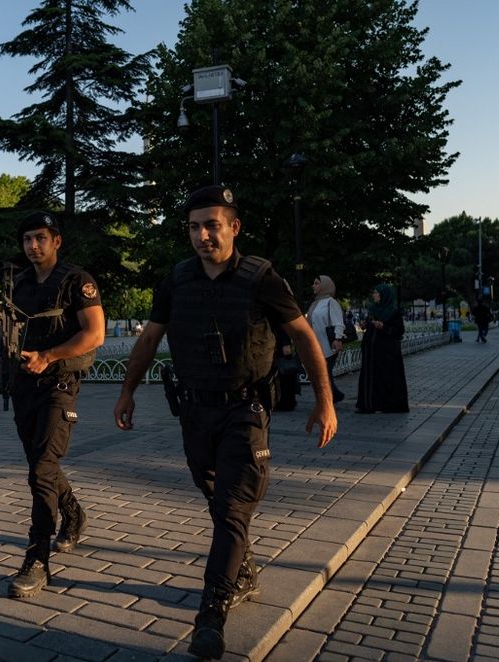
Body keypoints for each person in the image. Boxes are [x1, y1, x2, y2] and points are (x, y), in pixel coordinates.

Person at [111, 186, 336, 659]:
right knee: (215, 497)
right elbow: (150, 338)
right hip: (195, 411)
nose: (202, 235)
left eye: (212, 225)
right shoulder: (176, 280)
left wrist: (325, 401)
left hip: (245, 411)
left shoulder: (261, 278)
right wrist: (127, 390)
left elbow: (303, 335)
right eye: (194, 226)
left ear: (234, 227)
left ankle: (211, 615)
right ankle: (245, 567)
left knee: (233, 508)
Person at [0, 210, 105, 600]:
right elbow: (5, 327)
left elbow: (95, 334)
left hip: (60, 383)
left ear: (56, 240)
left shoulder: (77, 281)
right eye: (27, 240)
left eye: (40, 238)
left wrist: (50, 355)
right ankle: (72, 513)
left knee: (41, 469)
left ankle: (37, 559)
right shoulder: (18, 283)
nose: (33, 246)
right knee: (42, 464)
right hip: (24, 386)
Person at [355, 284, 409, 413]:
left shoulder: (393, 311)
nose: (374, 295)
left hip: (386, 353)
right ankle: (368, 405)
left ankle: (386, 405)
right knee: (370, 378)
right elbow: (369, 324)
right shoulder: (374, 309)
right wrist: (365, 324)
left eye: (376, 293)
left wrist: (383, 327)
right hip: (371, 352)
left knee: (385, 378)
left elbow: (399, 331)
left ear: (383, 295)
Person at [306, 275, 346, 402]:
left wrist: (338, 338)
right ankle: (335, 395)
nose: (313, 286)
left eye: (317, 283)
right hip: (317, 345)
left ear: (324, 286)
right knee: (322, 372)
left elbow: (338, 322)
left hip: (329, 345)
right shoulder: (315, 303)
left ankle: (327, 398)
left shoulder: (331, 302)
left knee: (324, 372)